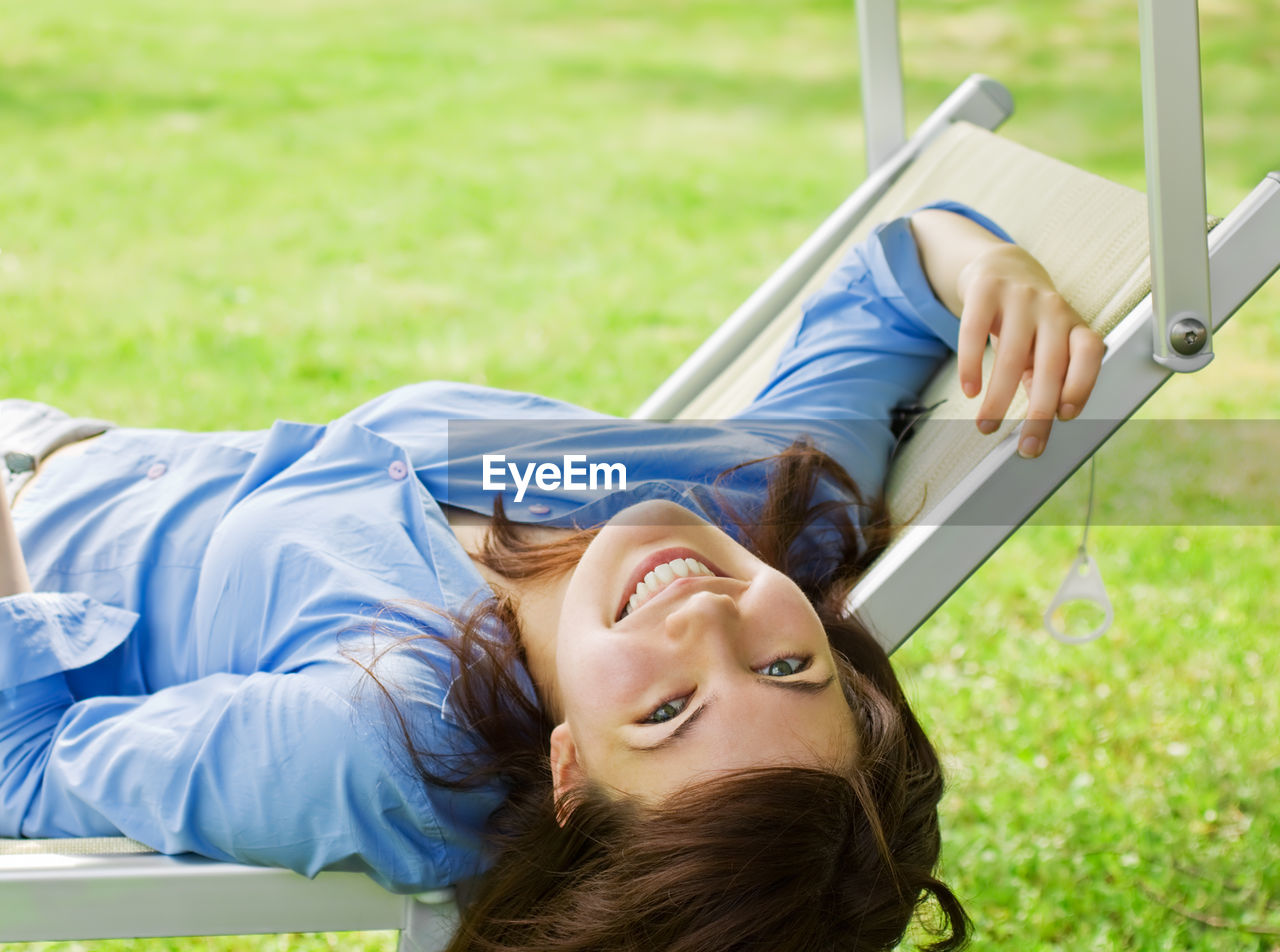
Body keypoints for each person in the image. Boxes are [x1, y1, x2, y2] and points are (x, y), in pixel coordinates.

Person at [1, 202, 1103, 951]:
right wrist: (993, 268)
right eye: (786, 668)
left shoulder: (373, 740)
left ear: (567, 771)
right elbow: (897, 279)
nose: (706, 617)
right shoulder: (766, 507)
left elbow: (22, 758)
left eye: (669, 712)